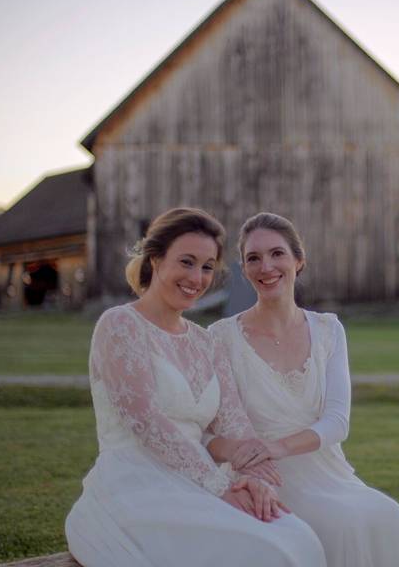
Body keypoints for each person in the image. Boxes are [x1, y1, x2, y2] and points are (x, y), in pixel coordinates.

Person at [65, 208, 326, 567]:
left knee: (298, 536)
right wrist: (220, 489)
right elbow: (148, 423)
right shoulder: (120, 325)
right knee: (266, 551)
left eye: (206, 267)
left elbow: (237, 426)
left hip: (199, 481)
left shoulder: (206, 342)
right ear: (155, 260)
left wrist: (255, 479)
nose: (196, 277)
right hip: (135, 485)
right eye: (186, 262)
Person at [208, 212, 399, 567]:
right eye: (254, 258)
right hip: (262, 477)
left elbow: (338, 421)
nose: (266, 266)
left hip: (327, 471)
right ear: (244, 269)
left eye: (277, 254)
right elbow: (213, 427)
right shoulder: (220, 337)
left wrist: (278, 446)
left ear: (298, 260)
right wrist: (250, 458)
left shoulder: (328, 330)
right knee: (341, 524)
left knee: (386, 513)